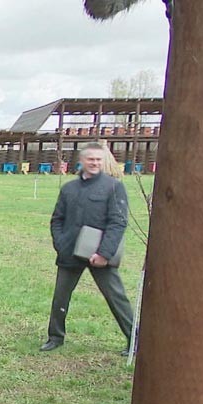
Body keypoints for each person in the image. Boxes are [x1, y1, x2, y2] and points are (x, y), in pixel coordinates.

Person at [40, 142, 134, 355]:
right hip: (69, 253)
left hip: (99, 254)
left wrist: (104, 253)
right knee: (60, 298)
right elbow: (57, 219)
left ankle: (134, 340)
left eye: (99, 159)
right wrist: (60, 244)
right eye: (90, 159)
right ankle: (55, 337)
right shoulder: (68, 188)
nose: (95, 163)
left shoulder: (113, 187)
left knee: (116, 298)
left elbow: (118, 222)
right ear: (81, 161)